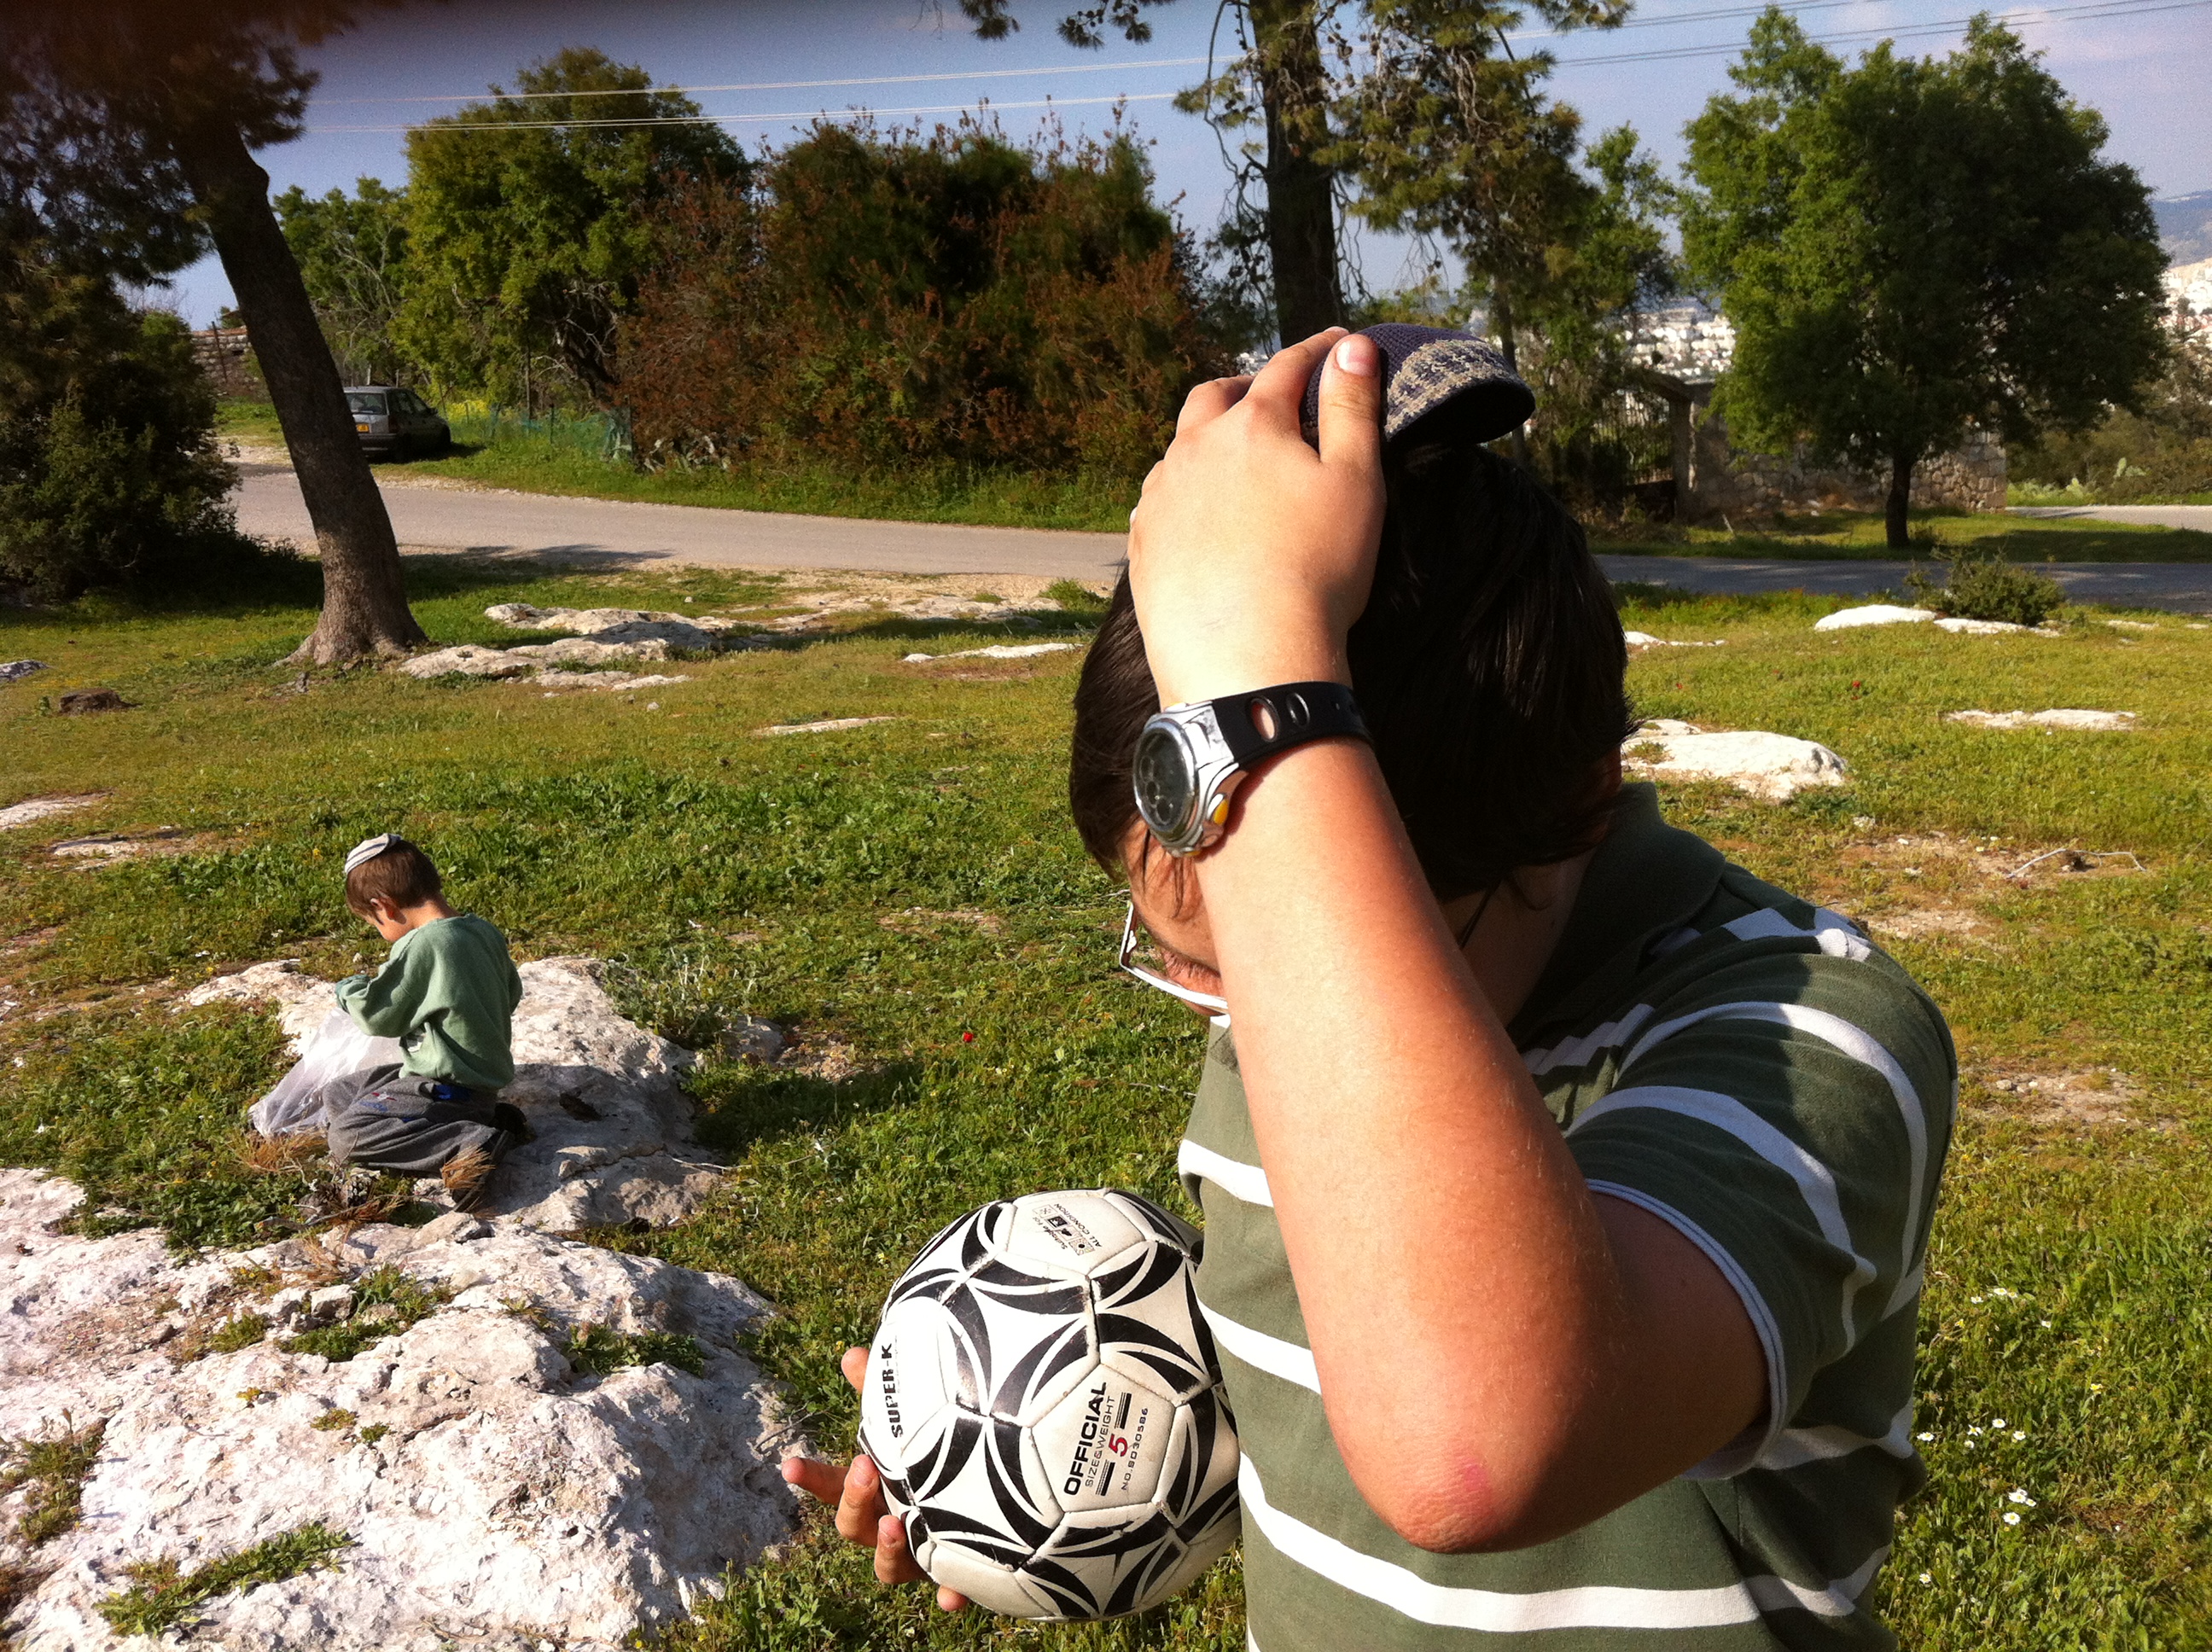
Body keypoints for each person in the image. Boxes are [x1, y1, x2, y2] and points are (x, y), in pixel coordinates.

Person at [783, 327, 1954, 1649]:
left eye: (1276, 934)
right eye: (1199, 966)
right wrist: (1005, 1453)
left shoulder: (1811, 1041)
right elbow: (1320, 1381)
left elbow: (1471, 1446)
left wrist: (1260, 680)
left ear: (1572, 812)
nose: (1245, 1013)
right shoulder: (1287, 998)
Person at [323, 833, 527, 1208]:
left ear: (384, 906)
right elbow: (511, 993)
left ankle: (469, 1143)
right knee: (340, 1092)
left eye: (373, 922)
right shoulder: (482, 931)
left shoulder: (425, 944)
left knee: (347, 1136)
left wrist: (347, 989)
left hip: (447, 1087)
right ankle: (487, 1119)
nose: (380, 932)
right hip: (468, 1084)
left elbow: (379, 1016)